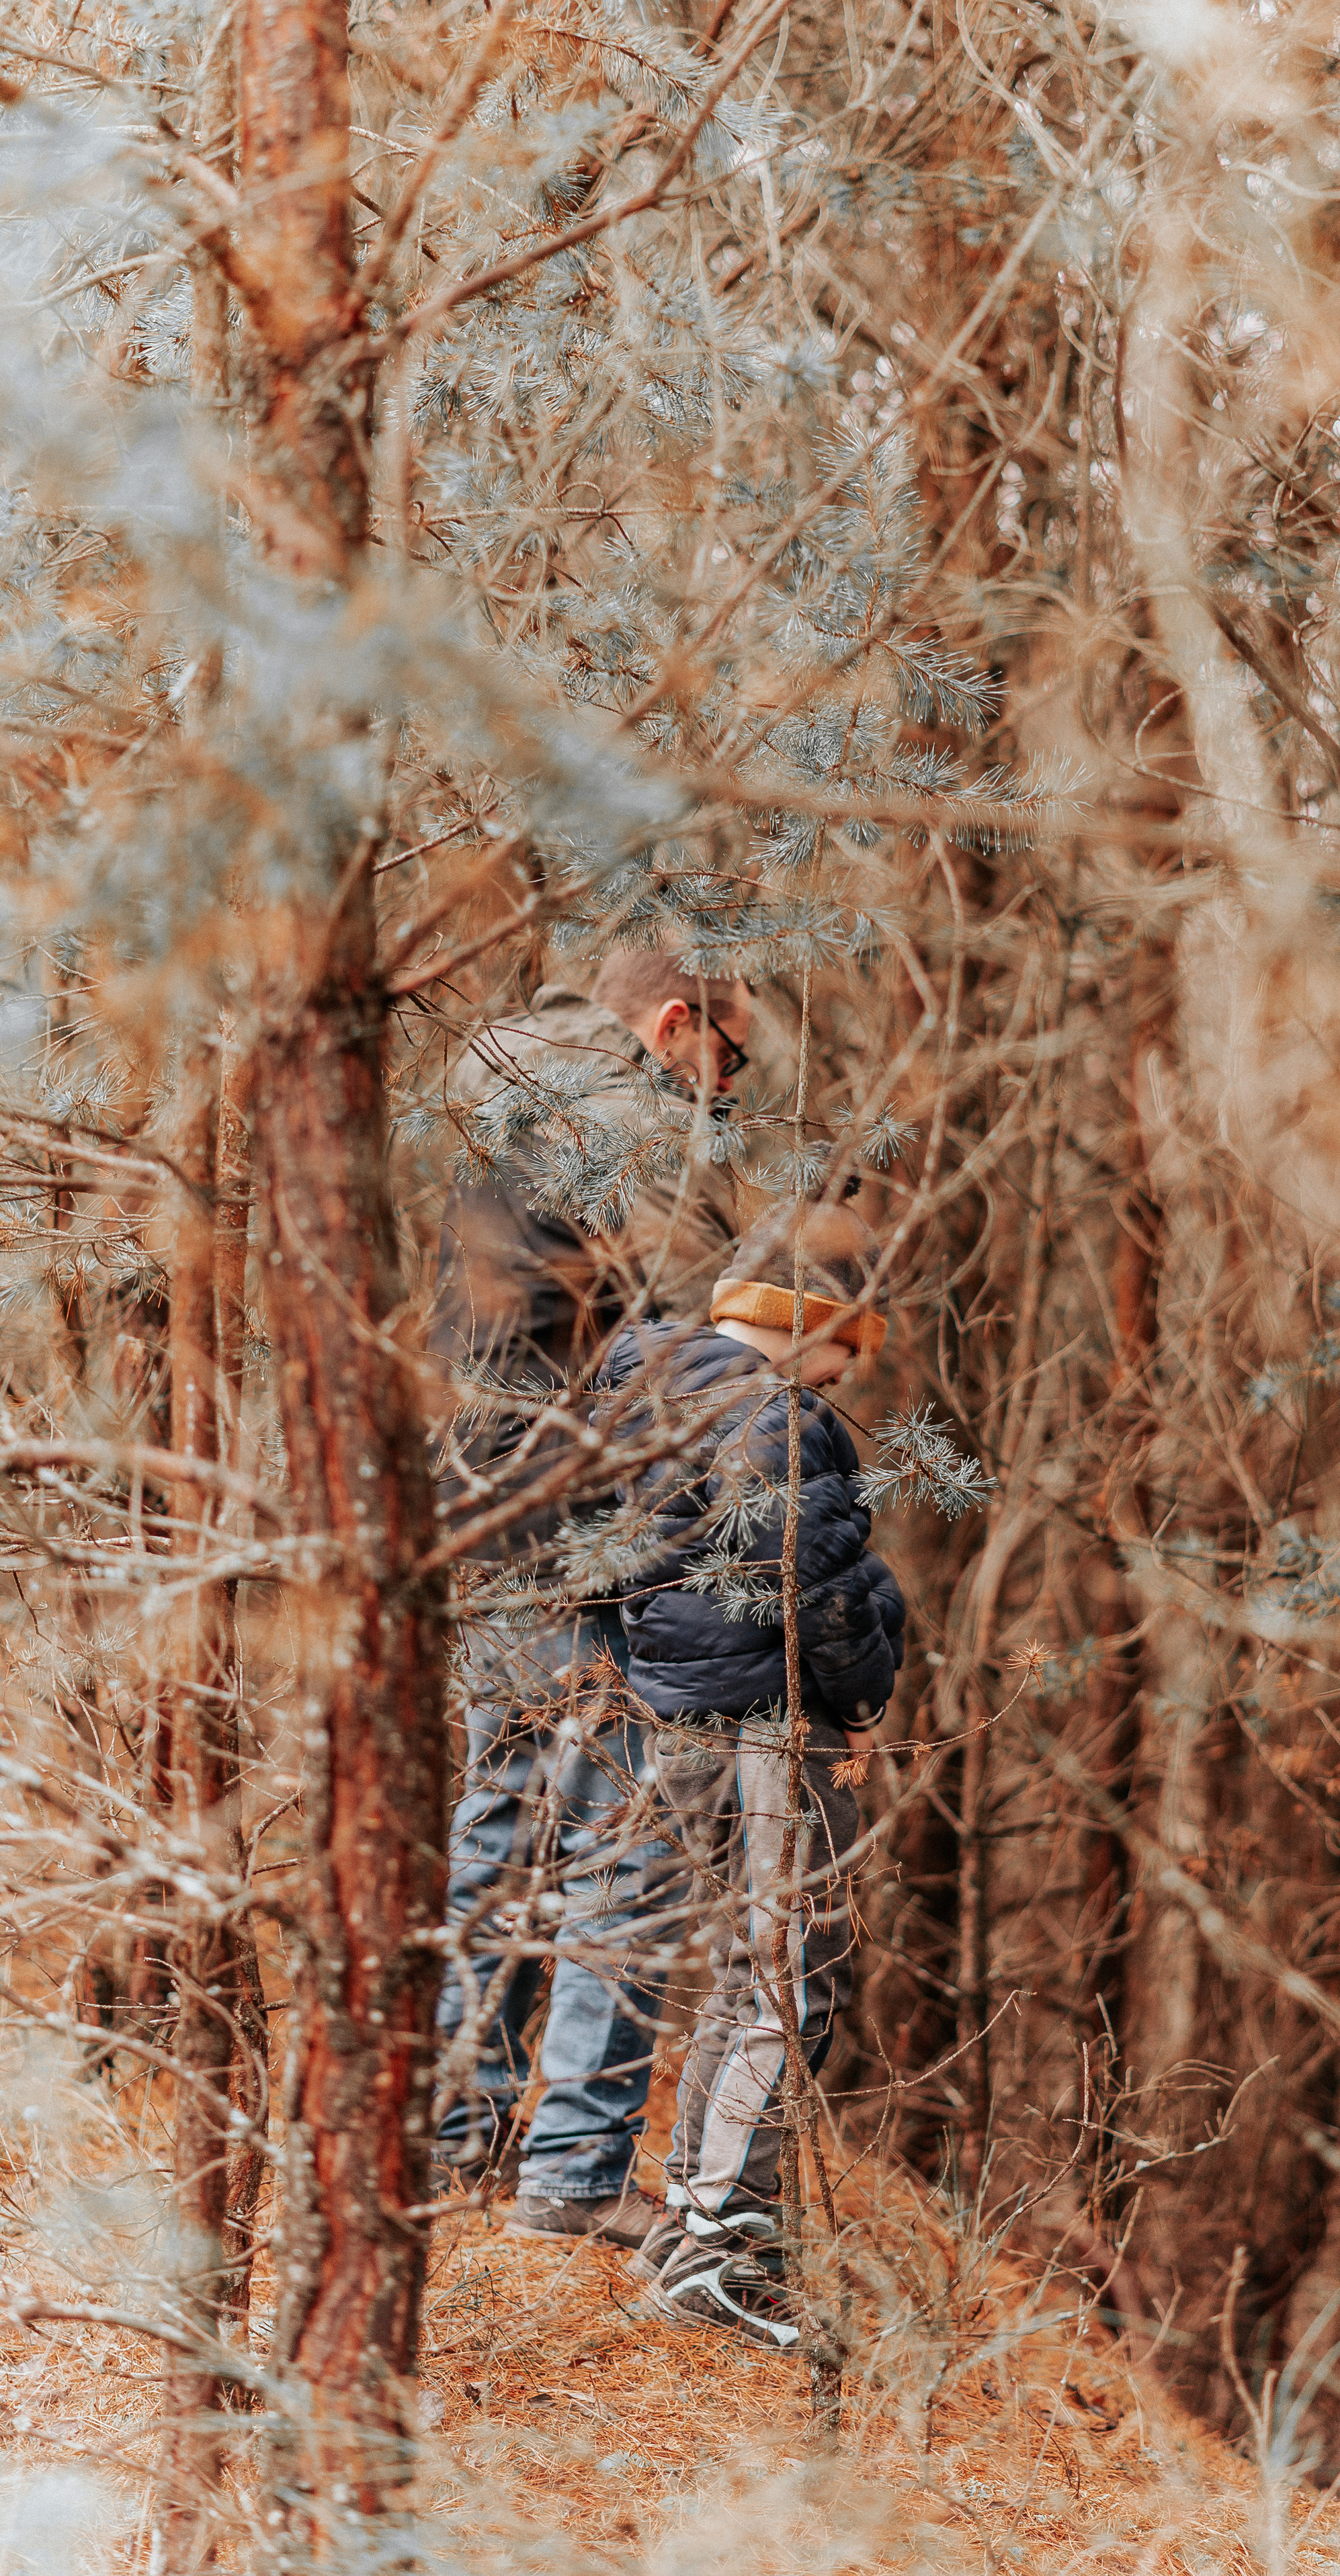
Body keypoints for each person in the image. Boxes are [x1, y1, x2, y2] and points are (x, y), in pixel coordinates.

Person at [429, 948, 753, 2245]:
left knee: (502, 1809)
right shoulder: (628, 1120)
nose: (725, 1096)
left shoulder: (481, 1071)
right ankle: (573, 2171)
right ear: (675, 1026)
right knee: (631, 1827)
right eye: (729, 1062)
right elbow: (709, 1330)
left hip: (470, 1479)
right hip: (586, 1499)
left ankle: (457, 2137)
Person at [594, 1203, 905, 2342]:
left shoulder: (668, 1388)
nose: (854, 1370)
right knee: (789, 1970)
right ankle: (724, 2238)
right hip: (776, 1715)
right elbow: (810, 1576)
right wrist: (864, 1692)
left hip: (709, 1708)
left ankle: (693, 2213)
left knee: (753, 1961)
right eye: (853, 1343)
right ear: (814, 1323)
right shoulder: (771, 1413)